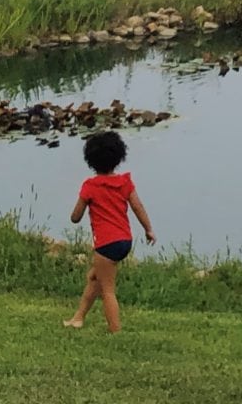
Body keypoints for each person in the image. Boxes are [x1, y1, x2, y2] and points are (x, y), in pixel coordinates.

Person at [65, 130, 156, 332]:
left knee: (107, 289)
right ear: (118, 157)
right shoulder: (124, 183)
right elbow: (138, 207)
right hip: (124, 240)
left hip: (105, 244)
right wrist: (148, 229)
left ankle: (115, 330)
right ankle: (78, 318)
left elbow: (75, 216)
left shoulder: (90, 186)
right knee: (94, 278)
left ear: (90, 160)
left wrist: (81, 207)